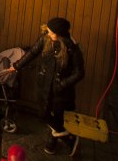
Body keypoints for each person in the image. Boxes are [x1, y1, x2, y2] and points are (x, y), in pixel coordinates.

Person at [10, 17, 85, 156]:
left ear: (60, 34)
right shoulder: (46, 39)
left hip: (60, 91)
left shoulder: (71, 48)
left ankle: (57, 141)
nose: (48, 34)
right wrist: (17, 66)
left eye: (51, 32)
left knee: (57, 115)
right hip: (43, 85)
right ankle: (65, 138)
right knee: (44, 114)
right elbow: (33, 52)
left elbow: (80, 72)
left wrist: (62, 84)